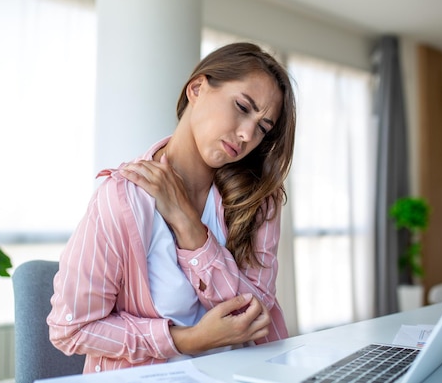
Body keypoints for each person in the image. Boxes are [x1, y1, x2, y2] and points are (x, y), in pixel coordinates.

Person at [47, 42, 297, 373]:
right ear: (197, 88)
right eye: (242, 107)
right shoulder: (123, 200)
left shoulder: (258, 200)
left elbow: (253, 318)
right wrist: (187, 339)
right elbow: (70, 328)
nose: (247, 134)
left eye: (263, 128)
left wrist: (189, 227)